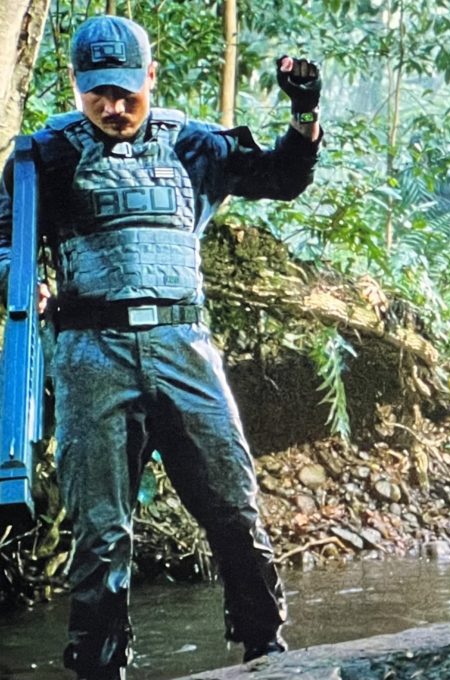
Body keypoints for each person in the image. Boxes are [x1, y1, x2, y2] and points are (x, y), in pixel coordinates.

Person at [0, 16, 322, 679]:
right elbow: (8, 243)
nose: (114, 108)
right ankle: (100, 667)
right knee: (101, 529)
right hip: (92, 354)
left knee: (233, 506)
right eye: (99, 96)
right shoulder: (45, 155)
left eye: (127, 93)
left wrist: (304, 112)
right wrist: (21, 274)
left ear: (151, 79)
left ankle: (267, 653)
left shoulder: (194, 146)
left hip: (185, 348)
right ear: (75, 85)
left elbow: (282, 178)